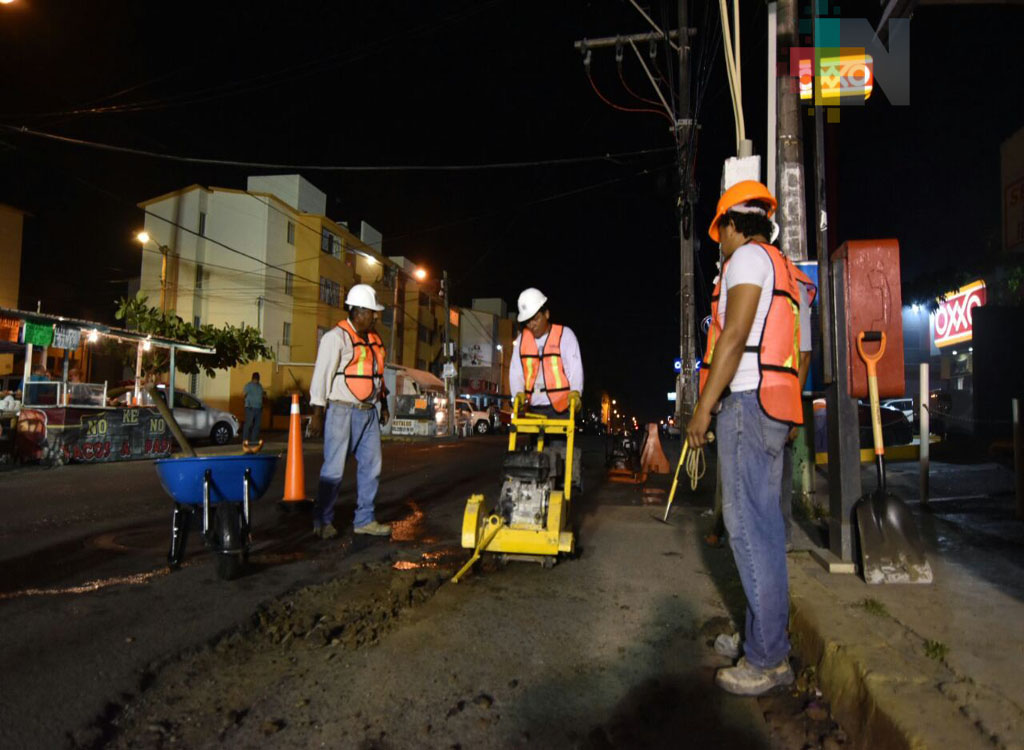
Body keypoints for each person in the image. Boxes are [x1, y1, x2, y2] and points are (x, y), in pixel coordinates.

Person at [685, 180, 816, 696]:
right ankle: (763, 636)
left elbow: (734, 337)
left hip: (746, 402)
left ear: (736, 225)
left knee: (745, 528)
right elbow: (801, 352)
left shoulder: (744, 261)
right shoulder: (784, 268)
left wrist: (703, 406)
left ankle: (767, 660)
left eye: (721, 232)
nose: (718, 242)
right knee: (763, 530)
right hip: (774, 403)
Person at [308, 283, 391, 540]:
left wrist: (383, 403)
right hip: (341, 411)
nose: (375, 316)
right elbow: (321, 376)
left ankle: (364, 519)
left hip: (369, 413)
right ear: (356, 311)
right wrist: (317, 413)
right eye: (371, 312)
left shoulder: (375, 340)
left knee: (371, 467)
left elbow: (377, 375)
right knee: (333, 469)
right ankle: (323, 521)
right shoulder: (336, 337)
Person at [508, 287, 584, 484]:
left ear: (547, 314)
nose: (532, 325)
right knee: (537, 457)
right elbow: (517, 371)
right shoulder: (522, 340)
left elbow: (574, 366)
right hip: (535, 409)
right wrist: (518, 394)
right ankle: (537, 493)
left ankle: (558, 493)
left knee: (558, 457)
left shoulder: (565, 336)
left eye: (536, 318)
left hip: (560, 407)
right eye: (528, 321)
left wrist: (576, 392)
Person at [242, 372, 265, 444]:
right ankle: (245, 440)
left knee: (257, 426)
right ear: (253, 379)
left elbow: (261, 396)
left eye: (257, 379)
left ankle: (253, 440)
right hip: (250, 408)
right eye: (255, 379)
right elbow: (243, 394)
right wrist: (247, 403)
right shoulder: (248, 386)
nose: (256, 380)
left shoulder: (260, 386)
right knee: (248, 424)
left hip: (258, 408)